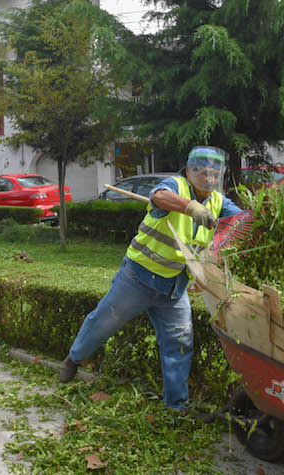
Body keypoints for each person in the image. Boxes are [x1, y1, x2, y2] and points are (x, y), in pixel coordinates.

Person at [59, 146, 242, 409]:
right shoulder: (176, 186)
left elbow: (241, 218)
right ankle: (73, 359)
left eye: (215, 173)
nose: (209, 178)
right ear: (190, 171)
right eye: (203, 172)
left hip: (174, 289)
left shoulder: (217, 201)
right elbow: (158, 196)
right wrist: (191, 207)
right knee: (104, 322)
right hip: (138, 279)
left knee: (179, 345)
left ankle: (176, 407)